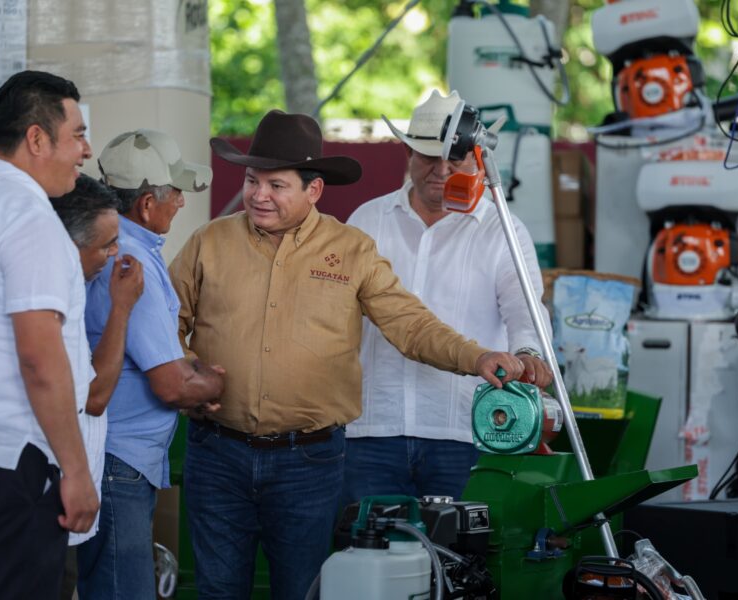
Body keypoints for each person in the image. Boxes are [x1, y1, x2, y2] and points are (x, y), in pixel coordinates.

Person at [168, 109, 527, 600]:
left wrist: (478, 358)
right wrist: (185, 379)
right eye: (253, 181)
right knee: (218, 589)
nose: (258, 195)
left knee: (304, 590)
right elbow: (168, 322)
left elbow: (410, 324)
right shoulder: (208, 242)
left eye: (277, 185)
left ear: (313, 190)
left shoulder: (353, 248)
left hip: (308, 463)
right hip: (217, 454)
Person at [342, 89, 553, 505]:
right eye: (426, 156)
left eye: (453, 158)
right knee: (367, 560)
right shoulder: (367, 220)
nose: (440, 169)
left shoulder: (502, 228)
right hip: (371, 429)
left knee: (463, 562)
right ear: (407, 153)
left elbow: (524, 308)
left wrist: (528, 353)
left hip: (463, 428)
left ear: (477, 158)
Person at [0, 70, 98, 599]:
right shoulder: (28, 216)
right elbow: (40, 358)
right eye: (78, 135)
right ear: (37, 139)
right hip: (7, 468)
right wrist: (77, 471)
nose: (86, 151)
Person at [77, 130, 225, 600]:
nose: (181, 202)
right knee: (123, 591)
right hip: (118, 460)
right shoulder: (129, 260)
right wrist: (213, 384)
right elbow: (170, 383)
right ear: (145, 204)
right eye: (176, 192)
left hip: (121, 458)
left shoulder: (128, 250)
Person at [50, 173, 145, 600]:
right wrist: (121, 308)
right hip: (52, 488)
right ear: (70, 245)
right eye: (106, 244)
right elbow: (94, 396)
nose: (113, 254)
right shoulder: (54, 296)